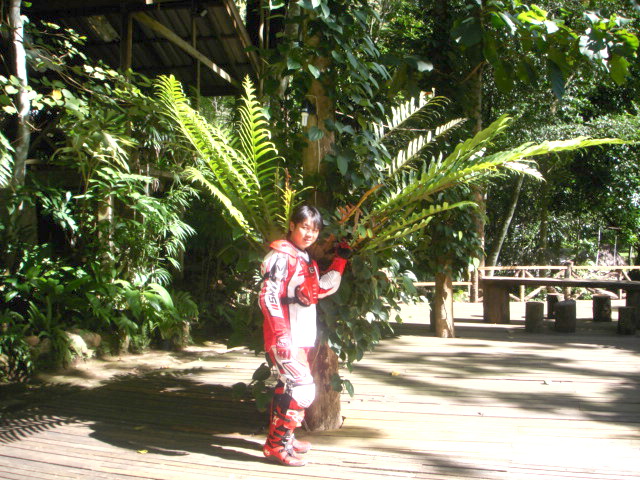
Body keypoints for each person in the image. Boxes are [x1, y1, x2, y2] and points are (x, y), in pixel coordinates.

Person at [259, 204, 351, 466]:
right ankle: (276, 445)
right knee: (302, 389)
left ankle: (284, 438)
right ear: (292, 226)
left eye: (315, 230)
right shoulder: (280, 256)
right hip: (285, 334)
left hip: (300, 333)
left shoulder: (303, 257)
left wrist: (340, 260)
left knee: (288, 385)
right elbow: (267, 296)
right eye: (304, 227)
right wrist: (281, 335)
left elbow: (319, 289)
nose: (309, 234)